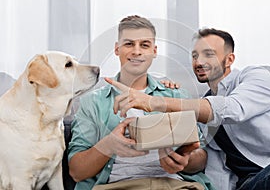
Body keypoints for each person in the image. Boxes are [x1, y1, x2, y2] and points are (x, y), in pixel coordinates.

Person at [107, 28, 270, 190]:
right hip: (248, 184)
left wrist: (154, 101)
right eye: (194, 55)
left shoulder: (256, 77)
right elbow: (203, 157)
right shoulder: (200, 106)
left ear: (230, 59)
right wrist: (182, 162)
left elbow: (231, 108)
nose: (198, 62)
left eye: (209, 54)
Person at [68, 15, 214, 190]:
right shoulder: (92, 103)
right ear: (117, 49)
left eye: (144, 45)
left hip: (175, 185)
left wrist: (185, 159)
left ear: (154, 51)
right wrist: (109, 145)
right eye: (129, 44)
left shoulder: (175, 96)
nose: (136, 51)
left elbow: (201, 156)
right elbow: (77, 171)